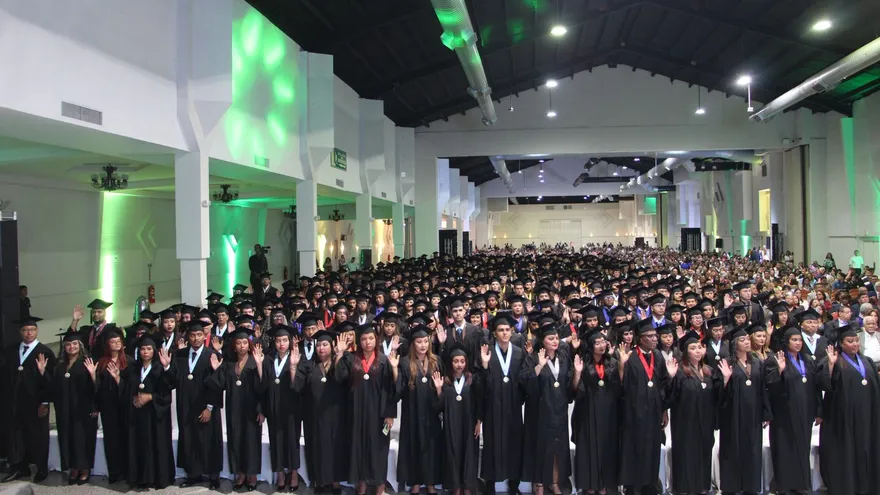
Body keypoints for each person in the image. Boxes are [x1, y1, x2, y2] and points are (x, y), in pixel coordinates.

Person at [335, 323, 399, 495]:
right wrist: (340, 354)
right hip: (356, 412)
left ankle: (379, 486)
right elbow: (339, 379)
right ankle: (361, 484)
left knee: (379, 449)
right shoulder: (350, 359)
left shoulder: (384, 360)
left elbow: (392, 389)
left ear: (376, 339)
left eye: (370, 338)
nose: (367, 342)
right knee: (358, 448)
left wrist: (390, 414)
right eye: (363, 339)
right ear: (359, 341)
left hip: (378, 414)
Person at [158, 320, 223, 490]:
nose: (196, 338)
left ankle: (213, 476)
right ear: (188, 336)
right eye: (193, 335)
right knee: (190, 439)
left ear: (205, 335)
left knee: (209, 440)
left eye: (199, 335)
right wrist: (166, 367)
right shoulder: (180, 355)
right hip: (186, 406)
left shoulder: (212, 355)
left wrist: (209, 408)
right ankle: (193, 475)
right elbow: (171, 381)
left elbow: (218, 384)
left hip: (206, 406)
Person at [818, 325, 880, 494]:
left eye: (856, 341)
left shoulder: (867, 361)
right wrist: (830, 366)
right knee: (847, 451)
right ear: (841, 343)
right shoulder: (834, 361)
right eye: (850, 341)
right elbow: (824, 385)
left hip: (867, 417)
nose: (854, 344)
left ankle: (867, 485)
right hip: (843, 418)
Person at [765, 325, 821, 495]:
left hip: (804, 412)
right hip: (784, 414)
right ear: (786, 342)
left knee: (802, 448)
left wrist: (818, 411)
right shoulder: (775, 359)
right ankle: (784, 485)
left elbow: (816, 387)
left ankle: (801, 484)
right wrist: (780, 372)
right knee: (785, 449)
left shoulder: (807, 360)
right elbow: (770, 387)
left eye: (799, 340)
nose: (798, 343)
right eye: (794, 340)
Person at [207, 327, 265, 491]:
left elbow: (263, 388)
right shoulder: (229, 364)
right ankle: (240, 472)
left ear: (249, 344)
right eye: (238, 343)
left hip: (252, 408)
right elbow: (220, 384)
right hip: (234, 408)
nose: (241, 346)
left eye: (244, 342)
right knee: (236, 438)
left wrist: (261, 410)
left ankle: (252, 474)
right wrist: (217, 368)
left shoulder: (255, 362)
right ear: (234, 346)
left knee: (251, 441)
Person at [716, 323, 771, 495]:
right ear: (734, 343)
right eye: (742, 339)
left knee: (752, 449)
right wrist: (725, 380)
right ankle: (731, 486)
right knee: (733, 449)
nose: (747, 342)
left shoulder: (757, 363)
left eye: (748, 338)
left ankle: (751, 486)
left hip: (753, 414)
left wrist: (765, 412)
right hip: (733, 414)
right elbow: (718, 394)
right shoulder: (727, 363)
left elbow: (763, 388)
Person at [619, 318, 670, 495]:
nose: (655, 339)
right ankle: (633, 485)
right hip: (634, 412)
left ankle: (650, 483)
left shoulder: (658, 356)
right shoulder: (631, 357)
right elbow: (622, 386)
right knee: (635, 448)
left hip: (655, 411)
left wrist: (664, 410)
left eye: (655, 336)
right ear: (640, 339)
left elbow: (663, 384)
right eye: (650, 336)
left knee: (653, 447)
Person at [520, 325, 573, 495]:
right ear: (542, 341)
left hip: (559, 411)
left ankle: (555, 482)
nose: (555, 341)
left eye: (557, 338)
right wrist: (539, 367)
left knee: (557, 448)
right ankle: (539, 484)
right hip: (539, 412)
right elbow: (524, 382)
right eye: (551, 338)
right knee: (539, 447)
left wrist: (578, 374)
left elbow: (569, 383)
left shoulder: (564, 357)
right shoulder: (533, 358)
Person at [1, 315, 55, 483]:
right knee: (17, 436)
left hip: (36, 404)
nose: (28, 333)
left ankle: (41, 469)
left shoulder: (45, 352)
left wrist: (45, 402)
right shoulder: (10, 351)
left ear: (37, 331)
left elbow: (51, 380)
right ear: (20, 332)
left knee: (37, 437)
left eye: (32, 329)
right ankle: (20, 468)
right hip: (14, 404)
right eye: (25, 330)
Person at [294, 329, 348, 494]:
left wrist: (339, 355)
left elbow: (341, 378)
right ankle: (319, 480)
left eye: (325, 344)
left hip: (335, 415)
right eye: (318, 345)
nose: (321, 348)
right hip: (314, 416)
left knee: (335, 448)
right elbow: (298, 387)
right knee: (317, 448)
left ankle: (335, 481)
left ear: (331, 346)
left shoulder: (341, 361)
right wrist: (292, 366)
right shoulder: (308, 365)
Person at [479, 313, 526, 495]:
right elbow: (480, 384)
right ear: (494, 332)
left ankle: (514, 484)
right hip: (493, 407)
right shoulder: (487, 353)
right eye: (501, 330)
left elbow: (524, 381)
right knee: (492, 443)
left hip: (513, 408)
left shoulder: (519, 353)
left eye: (507, 329)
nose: (505, 333)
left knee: (514, 444)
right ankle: (490, 482)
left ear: (512, 331)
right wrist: (484, 366)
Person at [571, 328, 621, 495]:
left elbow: (619, 388)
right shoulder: (583, 363)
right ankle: (590, 485)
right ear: (590, 346)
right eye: (597, 343)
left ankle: (605, 484)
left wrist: (621, 367)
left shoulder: (613, 362)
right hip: (588, 411)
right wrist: (577, 374)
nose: (601, 345)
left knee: (607, 447)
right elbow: (575, 390)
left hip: (609, 412)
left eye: (603, 342)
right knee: (588, 448)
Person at [665, 330, 715, 495]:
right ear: (686, 351)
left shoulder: (708, 371)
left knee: (704, 452)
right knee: (687, 454)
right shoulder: (680, 372)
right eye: (693, 348)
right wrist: (670, 378)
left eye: (700, 347)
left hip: (705, 422)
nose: (698, 351)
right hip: (685, 422)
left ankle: (702, 487)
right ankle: (685, 488)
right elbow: (668, 398)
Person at [396, 325, 443, 494]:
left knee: (430, 448)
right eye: (418, 342)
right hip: (413, 414)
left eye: (425, 341)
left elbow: (443, 388)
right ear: (412, 343)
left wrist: (439, 390)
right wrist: (394, 369)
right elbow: (398, 390)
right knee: (414, 446)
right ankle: (415, 482)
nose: (423, 345)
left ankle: (430, 482)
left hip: (431, 414)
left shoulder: (436, 361)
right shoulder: (404, 362)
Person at [124, 335, 175, 489]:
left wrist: (150, 396)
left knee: (156, 444)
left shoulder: (160, 368)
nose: (145, 352)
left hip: (155, 416)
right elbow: (126, 389)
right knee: (139, 444)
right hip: (138, 414)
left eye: (148, 349)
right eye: (142, 349)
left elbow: (167, 392)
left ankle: (157, 478)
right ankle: (140, 477)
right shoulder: (133, 369)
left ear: (154, 351)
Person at [51, 330, 98, 485]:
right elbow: (53, 388)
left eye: (74, 344)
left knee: (82, 439)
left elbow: (96, 388)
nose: (71, 347)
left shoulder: (87, 362)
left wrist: (93, 375)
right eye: (68, 344)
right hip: (65, 410)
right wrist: (43, 372)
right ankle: (73, 468)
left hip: (83, 410)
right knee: (68, 438)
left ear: (80, 345)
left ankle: (84, 468)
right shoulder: (60, 365)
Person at [435, 343, 481, 495]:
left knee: (469, 456)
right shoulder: (446, 381)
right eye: (456, 361)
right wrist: (438, 390)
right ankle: (455, 487)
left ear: (466, 362)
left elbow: (479, 402)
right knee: (452, 455)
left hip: (469, 425)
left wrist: (478, 422)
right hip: (451, 426)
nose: (459, 364)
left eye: (462, 361)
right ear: (451, 363)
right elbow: (438, 407)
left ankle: (467, 487)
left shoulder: (472, 380)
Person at [263, 325, 303, 492]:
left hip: (292, 408)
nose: (281, 344)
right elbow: (263, 385)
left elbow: (299, 386)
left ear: (290, 341)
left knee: (292, 441)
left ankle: (293, 474)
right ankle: (280, 473)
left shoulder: (297, 358)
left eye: (285, 340)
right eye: (278, 340)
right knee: (276, 441)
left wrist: (293, 366)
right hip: (273, 408)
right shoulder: (268, 359)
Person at [94, 328, 130, 484]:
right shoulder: (101, 362)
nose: (115, 344)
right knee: (111, 440)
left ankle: (128, 470)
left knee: (126, 437)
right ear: (107, 344)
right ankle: (114, 471)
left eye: (118, 341)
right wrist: (91, 376)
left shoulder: (129, 361)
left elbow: (132, 385)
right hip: (108, 407)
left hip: (126, 406)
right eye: (112, 341)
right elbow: (97, 387)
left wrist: (118, 380)